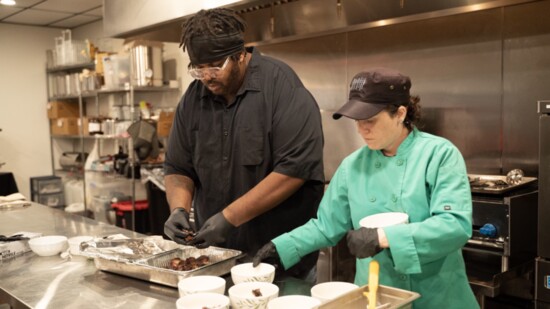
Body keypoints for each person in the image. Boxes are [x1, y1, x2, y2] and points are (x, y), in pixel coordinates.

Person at [253, 68, 479, 308]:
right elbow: (326, 225)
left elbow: (455, 225)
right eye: (358, 121)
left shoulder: (439, 155)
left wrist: (382, 237)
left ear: (400, 113)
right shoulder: (352, 166)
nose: (362, 130)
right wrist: (282, 247)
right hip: (377, 293)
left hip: (438, 295)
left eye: (370, 120)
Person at [163, 8, 325, 279]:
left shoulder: (281, 87)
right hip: (217, 258)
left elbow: (295, 170)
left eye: (215, 67)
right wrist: (179, 208)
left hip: (280, 260)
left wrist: (230, 217)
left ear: (240, 55)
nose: (206, 77)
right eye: (198, 68)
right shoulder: (193, 98)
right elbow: (178, 166)